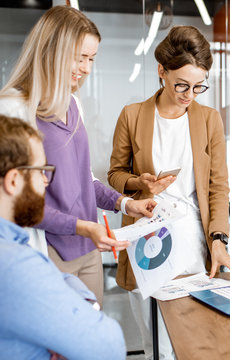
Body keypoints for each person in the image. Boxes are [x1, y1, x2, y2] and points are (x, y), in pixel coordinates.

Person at [0, 5, 157, 308]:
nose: (86, 68)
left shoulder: (73, 104)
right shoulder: (13, 110)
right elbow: (16, 204)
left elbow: (84, 180)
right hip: (48, 250)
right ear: (52, 51)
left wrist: (126, 204)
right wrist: (82, 226)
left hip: (88, 247)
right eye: (80, 57)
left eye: (91, 59)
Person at [108, 25, 230, 359]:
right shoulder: (133, 115)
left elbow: (218, 188)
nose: (189, 94)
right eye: (181, 84)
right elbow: (114, 174)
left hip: (192, 242)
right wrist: (142, 184)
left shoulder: (209, 120)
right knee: (157, 344)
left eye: (199, 86)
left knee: (193, 337)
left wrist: (219, 241)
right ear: (161, 72)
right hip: (146, 240)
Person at [0, 114, 126, 360]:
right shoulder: (15, 264)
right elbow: (109, 348)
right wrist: (82, 300)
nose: (46, 181)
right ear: (14, 180)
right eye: (41, 171)